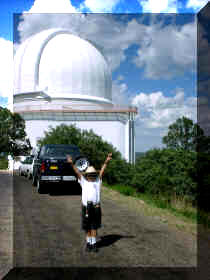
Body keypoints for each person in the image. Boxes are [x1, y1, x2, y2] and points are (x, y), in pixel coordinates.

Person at [66, 153, 112, 253]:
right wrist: (71, 164)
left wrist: (106, 161)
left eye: (93, 174)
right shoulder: (83, 181)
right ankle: (88, 243)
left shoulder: (98, 181)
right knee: (87, 227)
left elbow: (102, 170)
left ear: (95, 175)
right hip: (86, 207)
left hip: (96, 207)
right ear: (86, 175)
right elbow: (77, 172)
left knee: (94, 226)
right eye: (89, 175)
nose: (91, 176)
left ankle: (94, 244)